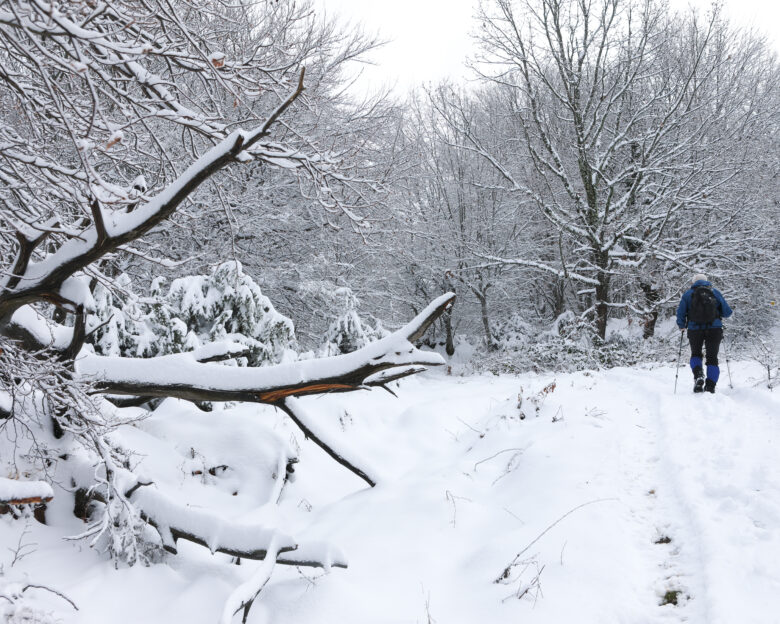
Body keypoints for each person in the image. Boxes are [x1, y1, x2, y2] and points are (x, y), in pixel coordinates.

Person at [676, 273, 733, 393]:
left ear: (693, 282)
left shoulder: (687, 294)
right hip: (714, 329)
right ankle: (710, 386)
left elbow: (680, 313)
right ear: (707, 282)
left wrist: (681, 326)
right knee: (712, 358)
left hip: (695, 329)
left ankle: (698, 375)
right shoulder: (715, 292)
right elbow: (727, 312)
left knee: (696, 354)